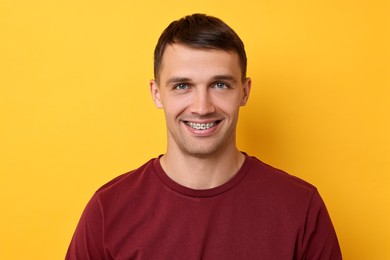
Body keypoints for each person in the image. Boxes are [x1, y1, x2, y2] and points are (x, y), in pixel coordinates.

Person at [66, 13, 342, 259]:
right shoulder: (108, 210)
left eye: (220, 84)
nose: (202, 107)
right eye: (182, 85)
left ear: (244, 92)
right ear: (156, 93)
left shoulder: (301, 208)